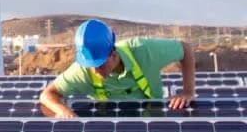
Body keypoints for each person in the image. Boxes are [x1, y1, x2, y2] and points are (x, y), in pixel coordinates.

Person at [39, 19, 196, 119]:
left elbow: (185, 49)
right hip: (108, 131)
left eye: (99, 64)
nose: (94, 71)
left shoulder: (144, 50)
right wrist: (61, 110)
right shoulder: (82, 70)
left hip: (152, 123)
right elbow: (48, 94)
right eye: (90, 66)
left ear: (113, 54)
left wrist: (188, 91)